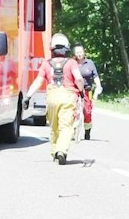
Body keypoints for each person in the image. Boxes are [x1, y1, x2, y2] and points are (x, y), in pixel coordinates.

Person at [42, 34, 86, 165]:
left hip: (51, 97)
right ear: (66, 49)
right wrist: (81, 91)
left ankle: (55, 150)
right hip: (68, 96)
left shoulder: (46, 63)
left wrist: (27, 97)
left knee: (54, 126)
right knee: (66, 127)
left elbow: (38, 80)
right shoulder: (71, 63)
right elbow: (78, 79)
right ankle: (61, 150)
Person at [74, 44, 100, 140]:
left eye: (81, 52)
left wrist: (98, 86)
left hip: (86, 91)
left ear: (84, 52)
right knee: (73, 110)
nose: (79, 54)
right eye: (77, 52)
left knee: (87, 112)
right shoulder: (72, 63)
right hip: (75, 90)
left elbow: (95, 76)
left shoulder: (90, 63)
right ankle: (73, 131)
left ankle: (87, 131)